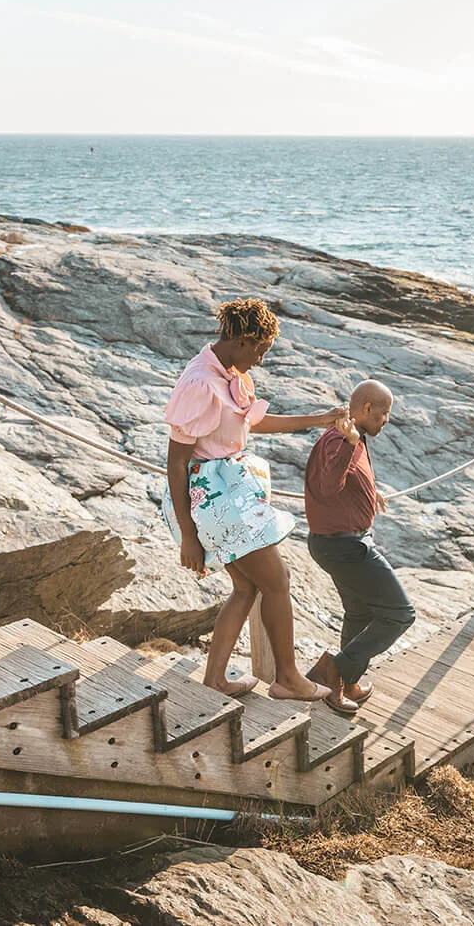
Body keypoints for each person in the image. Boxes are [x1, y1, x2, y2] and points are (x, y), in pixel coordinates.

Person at [162, 298, 347, 701]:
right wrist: (188, 535)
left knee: (247, 588)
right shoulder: (199, 383)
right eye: (259, 350)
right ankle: (288, 679)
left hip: (229, 492)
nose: (261, 361)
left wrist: (319, 418)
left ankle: (216, 679)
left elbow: (254, 422)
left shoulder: (230, 373)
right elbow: (176, 463)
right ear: (238, 339)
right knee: (277, 581)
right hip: (211, 499)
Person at [303, 379, 415, 715]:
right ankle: (334, 670)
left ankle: (348, 682)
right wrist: (351, 445)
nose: (387, 419)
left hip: (337, 542)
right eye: (384, 412)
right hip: (345, 547)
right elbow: (328, 485)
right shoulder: (343, 439)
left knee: (360, 613)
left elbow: (346, 479)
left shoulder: (353, 437)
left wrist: (368, 491)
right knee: (400, 614)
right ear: (366, 409)